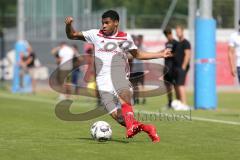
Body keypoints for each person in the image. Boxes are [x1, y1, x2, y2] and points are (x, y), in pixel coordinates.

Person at [65, 10, 172, 143]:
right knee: (120, 119)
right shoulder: (95, 34)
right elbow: (72, 35)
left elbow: (138, 54)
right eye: (103, 23)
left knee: (123, 94)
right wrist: (69, 25)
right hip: (103, 83)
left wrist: (160, 54)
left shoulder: (125, 38)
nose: (103, 25)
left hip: (119, 76)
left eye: (107, 23)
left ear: (116, 23)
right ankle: (148, 128)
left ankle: (131, 127)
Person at [174, 25, 191, 109]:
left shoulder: (186, 42)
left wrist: (183, 66)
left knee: (181, 85)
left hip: (182, 68)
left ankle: (184, 104)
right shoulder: (177, 43)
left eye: (179, 31)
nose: (177, 33)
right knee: (176, 85)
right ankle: (179, 102)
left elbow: (188, 55)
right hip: (176, 68)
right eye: (176, 32)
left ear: (182, 31)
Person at [163, 28, 178, 108]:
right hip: (166, 67)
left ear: (171, 33)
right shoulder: (166, 44)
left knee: (175, 86)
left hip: (173, 67)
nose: (168, 36)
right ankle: (170, 102)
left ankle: (178, 102)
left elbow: (178, 54)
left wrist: (170, 55)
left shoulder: (176, 43)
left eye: (169, 34)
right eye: (166, 35)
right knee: (167, 86)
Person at [130, 35, 147, 105]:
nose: (138, 41)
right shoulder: (134, 47)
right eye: (138, 39)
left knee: (142, 85)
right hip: (134, 69)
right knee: (134, 85)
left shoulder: (143, 47)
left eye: (140, 39)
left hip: (140, 69)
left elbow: (145, 56)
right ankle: (135, 98)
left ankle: (143, 98)